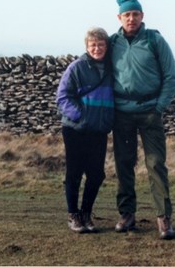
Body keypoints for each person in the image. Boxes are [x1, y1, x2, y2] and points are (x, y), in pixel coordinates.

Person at [110, 0, 175, 240]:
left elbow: (171, 76)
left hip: (150, 112)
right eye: (126, 15)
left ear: (142, 16)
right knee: (124, 164)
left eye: (135, 14)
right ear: (119, 17)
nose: (131, 19)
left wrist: (158, 107)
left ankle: (164, 218)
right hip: (122, 114)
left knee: (156, 164)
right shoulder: (112, 43)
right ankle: (127, 215)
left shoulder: (155, 41)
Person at [56, 27, 114, 233]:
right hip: (75, 129)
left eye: (101, 44)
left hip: (98, 130)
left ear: (106, 46)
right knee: (74, 172)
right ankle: (73, 215)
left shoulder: (111, 69)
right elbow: (62, 97)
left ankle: (86, 214)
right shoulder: (76, 67)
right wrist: (80, 116)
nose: (97, 48)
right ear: (86, 47)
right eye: (93, 45)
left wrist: (107, 121)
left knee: (96, 174)